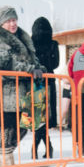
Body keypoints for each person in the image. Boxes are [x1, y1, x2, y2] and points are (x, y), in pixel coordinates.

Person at [0, 5, 45, 167]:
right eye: (9, 21)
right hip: (8, 91)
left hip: (25, 89)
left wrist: (39, 68)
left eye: (14, 20)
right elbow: (6, 63)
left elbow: (33, 59)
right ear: (1, 23)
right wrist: (29, 69)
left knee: (25, 125)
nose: (13, 24)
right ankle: (7, 162)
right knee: (9, 126)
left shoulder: (22, 37)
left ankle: (1, 157)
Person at [31, 16, 59, 158]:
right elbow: (55, 64)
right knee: (44, 117)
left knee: (37, 118)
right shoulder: (53, 44)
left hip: (35, 82)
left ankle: (37, 148)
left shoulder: (30, 43)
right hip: (49, 81)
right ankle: (46, 147)